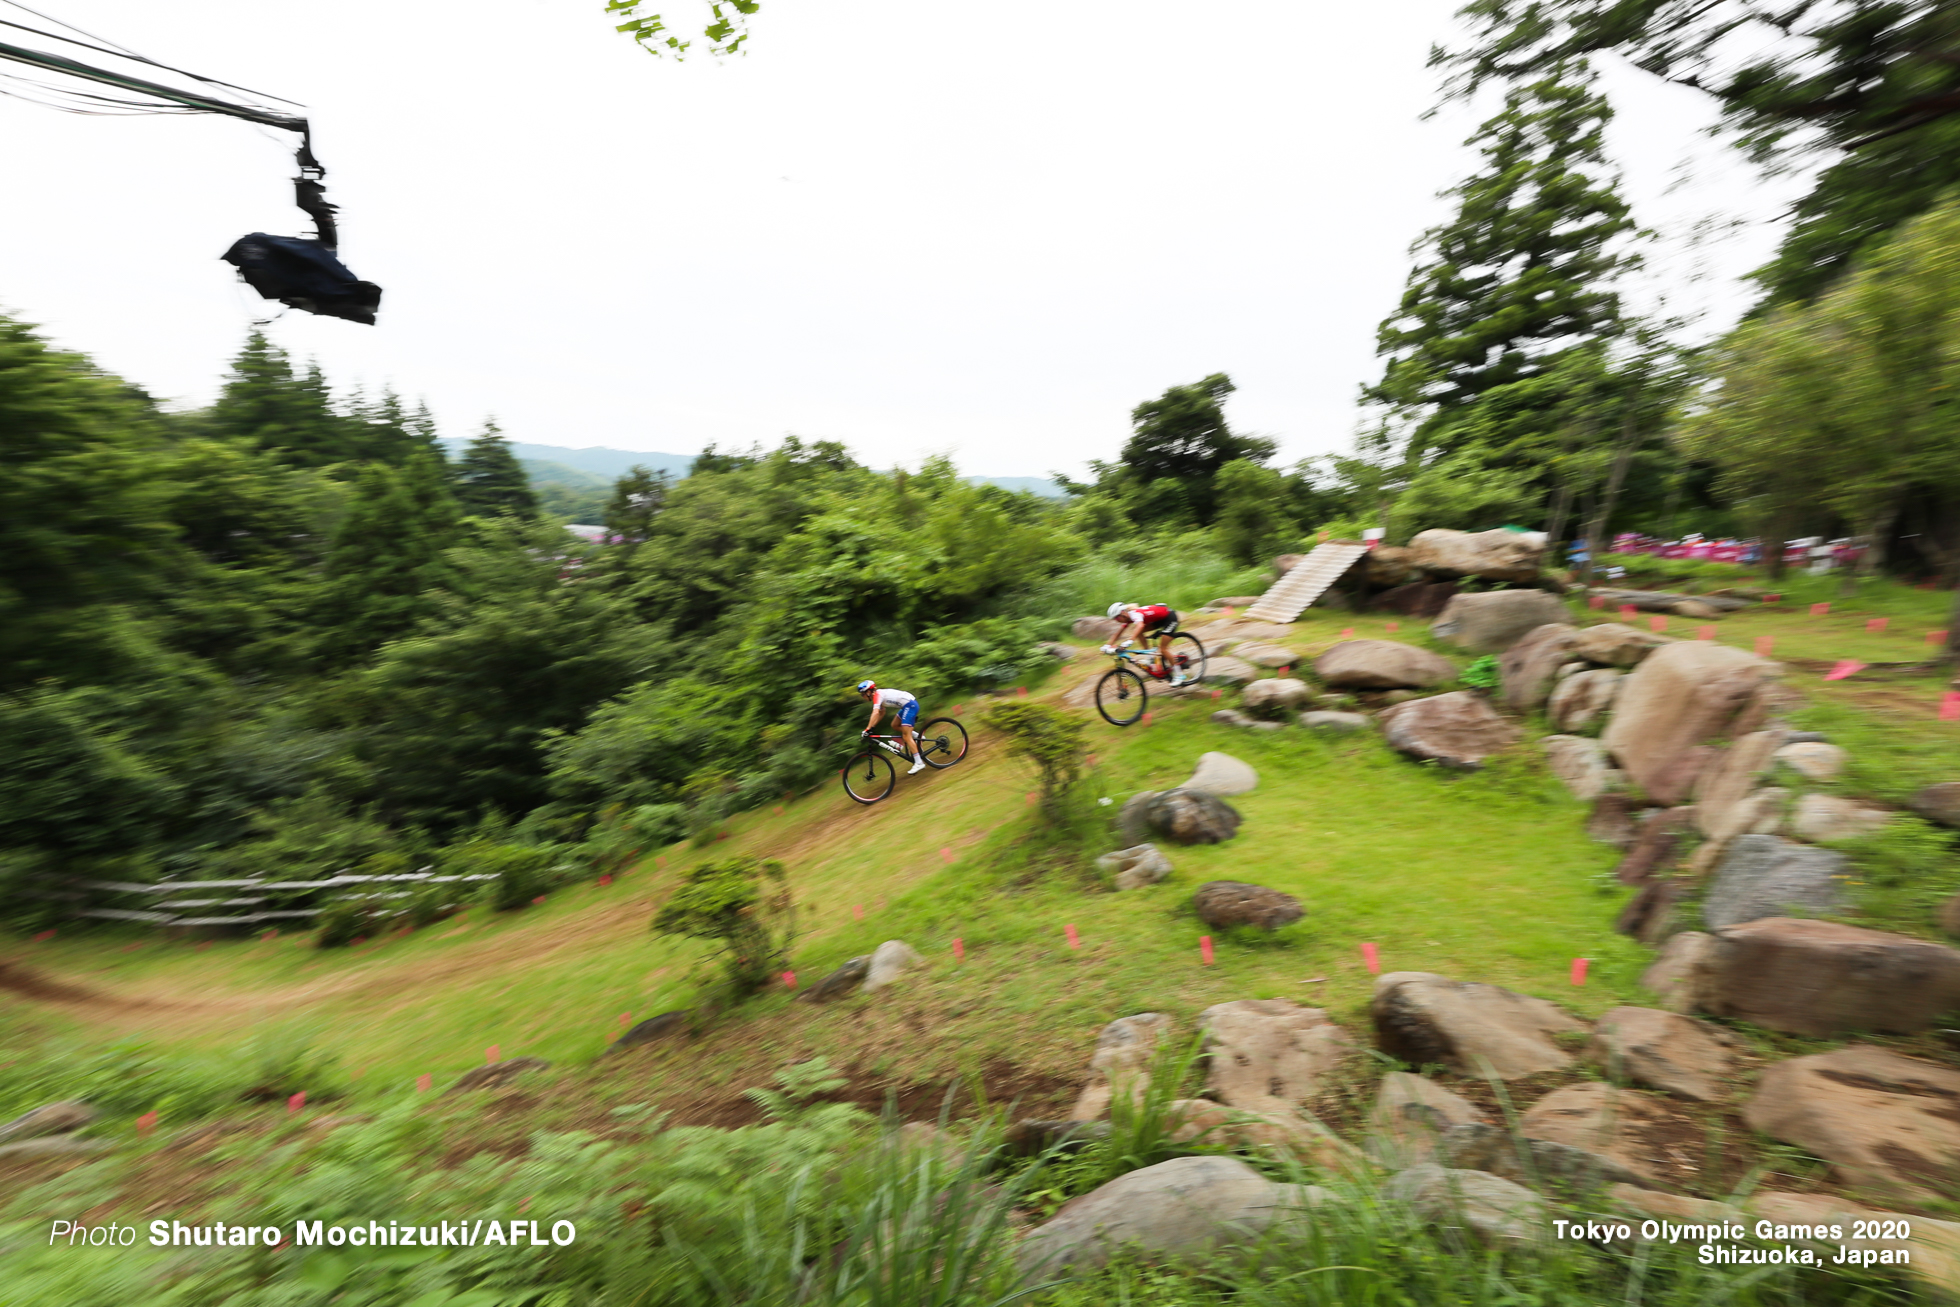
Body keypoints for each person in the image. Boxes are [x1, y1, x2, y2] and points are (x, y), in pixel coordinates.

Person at [1102, 601, 1189, 685]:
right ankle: (1150, 657)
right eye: (1115, 619)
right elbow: (1118, 633)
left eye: (1117, 618)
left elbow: (1140, 625)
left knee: (1163, 649)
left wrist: (1130, 641)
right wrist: (1106, 645)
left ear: (1123, 613)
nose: (1117, 620)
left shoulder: (1135, 614)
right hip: (1158, 620)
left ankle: (1179, 675)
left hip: (1169, 618)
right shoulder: (1127, 617)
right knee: (1138, 631)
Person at [856, 679, 926, 774]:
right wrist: (872, 727)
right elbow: (881, 713)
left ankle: (919, 763)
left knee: (906, 736)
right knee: (894, 725)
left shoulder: (877, 696)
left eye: (863, 694)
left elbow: (875, 712)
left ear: (868, 692)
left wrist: (867, 728)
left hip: (910, 705)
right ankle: (917, 736)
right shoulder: (877, 696)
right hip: (906, 706)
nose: (863, 697)